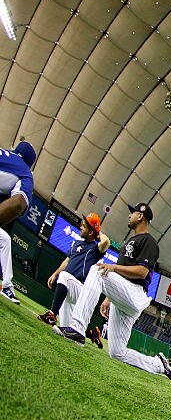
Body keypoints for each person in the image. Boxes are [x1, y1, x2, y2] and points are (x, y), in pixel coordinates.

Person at [54, 202, 171, 381]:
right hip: (124, 295)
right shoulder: (130, 242)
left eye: (132, 213)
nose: (129, 215)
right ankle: (159, 365)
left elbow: (142, 272)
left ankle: (77, 329)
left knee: (98, 270)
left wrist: (113, 267)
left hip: (136, 294)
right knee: (117, 352)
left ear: (140, 216)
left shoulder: (148, 241)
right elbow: (121, 277)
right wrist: (109, 298)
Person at [38, 214, 110, 340]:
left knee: (64, 276)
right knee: (66, 330)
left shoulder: (94, 249)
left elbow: (106, 242)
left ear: (91, 232)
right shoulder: (77, 243)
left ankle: (51, 314)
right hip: (69, 289)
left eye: (84, 226)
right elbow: (67, 261)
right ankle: (92, 335)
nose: (81, 227)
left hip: (80, 289)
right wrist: (55, 274)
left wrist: (99, 233)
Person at [0, 141, 36, 304]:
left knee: (4, 240)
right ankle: (7, 287)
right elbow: (19, 202)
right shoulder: (25, 172)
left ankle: (7, 286)